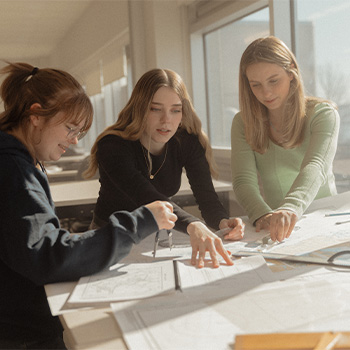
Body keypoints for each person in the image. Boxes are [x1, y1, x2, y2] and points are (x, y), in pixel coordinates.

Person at [0, 62, 177, 349]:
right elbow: (48, 256)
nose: (74, 140)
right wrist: (138, 222)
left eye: (80, 132)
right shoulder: (14, 170)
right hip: (21, 334)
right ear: (35, 116)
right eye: (70, 128)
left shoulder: (17, 161)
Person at [84, 68, 245, 269]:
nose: (166, 120)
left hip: (157, 237)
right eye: (155, 109)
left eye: (175, 110)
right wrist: (194, 225)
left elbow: (207, 198)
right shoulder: (112, 146)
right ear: (140, 108)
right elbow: (146, 196)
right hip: (111, 236)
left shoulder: (187, 142)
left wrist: (223, 222)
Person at [231, 36, 340, 243]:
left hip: (326, 219)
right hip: (277, 224)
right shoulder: (242, 122)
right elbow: (244, 180)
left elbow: (315, 167)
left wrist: (290, 207)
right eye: (256, 85)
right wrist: (262, 214)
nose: (267, 92)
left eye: (274, 80)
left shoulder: (323, 114)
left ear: (291, 72)